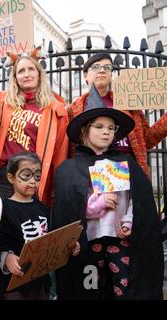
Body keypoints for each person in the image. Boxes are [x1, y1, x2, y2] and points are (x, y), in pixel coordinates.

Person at [52, 85, 164, 300]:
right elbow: (68, 210)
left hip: (120, 240)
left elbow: (137, 202)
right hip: (89, 243)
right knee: (91, 290)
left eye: (111, 128)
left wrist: (129, 223)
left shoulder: (126, 163)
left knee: (124, 290)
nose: (106, 131)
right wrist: (96, 205)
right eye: (100, 126)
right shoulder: (69, 169)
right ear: (85, 130)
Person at [0, 152, 79, 300]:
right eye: (26, 175)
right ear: (11, 178)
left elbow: (50, 239)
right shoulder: (3, 208)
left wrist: (67, 245)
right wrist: (7, 257)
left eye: (37, 176)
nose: (33, 182)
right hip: (13, 283)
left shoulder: (42, 208)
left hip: (39, 281)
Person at [0, 53, 69, 207]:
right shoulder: (0, 101)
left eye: (31, 69)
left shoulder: (56, 109)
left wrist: (58, 189)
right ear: (15, 77)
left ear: (39, 74)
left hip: (33, 178)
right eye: (21, 71)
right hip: (5, 176)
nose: (27, 74)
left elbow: (60, 153)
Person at [68, 52, 167, 177]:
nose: (102, 70)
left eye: (107, 67)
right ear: (85, 75)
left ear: (111, 75)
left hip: (130, 171)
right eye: (96, 67)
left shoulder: (128, 103)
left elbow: (146, 140)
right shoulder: (73, 110)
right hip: (91, 172)